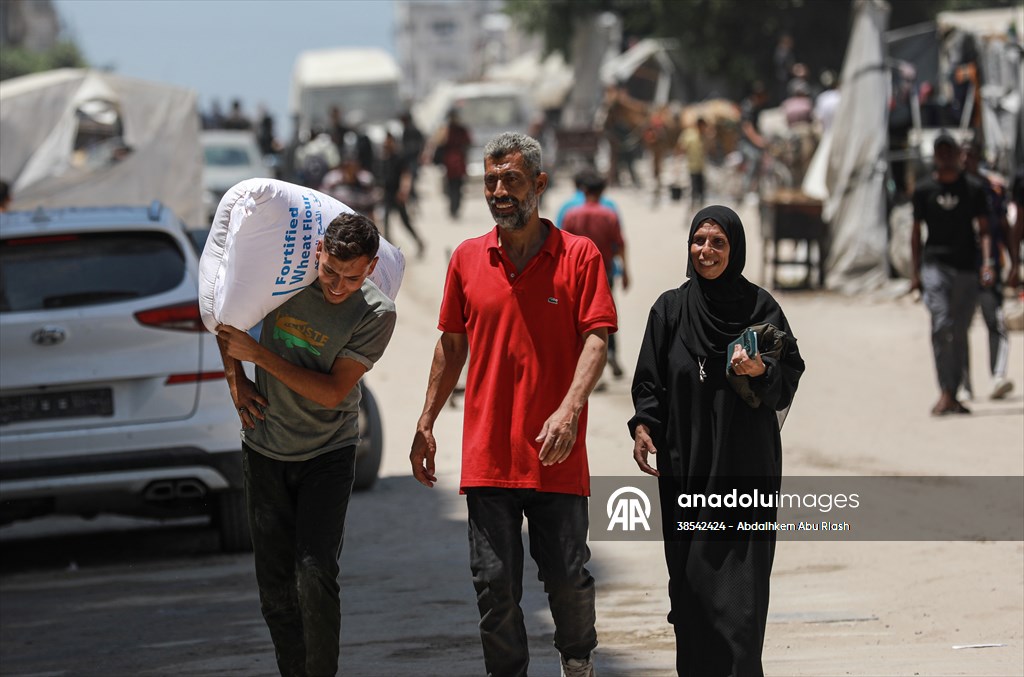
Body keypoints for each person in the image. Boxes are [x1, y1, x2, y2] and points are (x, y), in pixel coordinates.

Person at [410, 132, 615, 677]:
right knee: (494, 586)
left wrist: (569, 410)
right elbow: (452, 344)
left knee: (569, 576)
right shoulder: (467, 259)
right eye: (491, 181)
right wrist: (426, 420)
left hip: (556, 453)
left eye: (512, 180)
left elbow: (597, 338)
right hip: (488, 455)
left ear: (540, 185)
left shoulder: (579, 256)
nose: (499, 191)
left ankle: (577, 661)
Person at [216, 212, 397, 677]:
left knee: (315, 572)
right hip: (265, 448)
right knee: (275, 590)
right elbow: (225, 314)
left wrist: (258, 356)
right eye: (330, 272)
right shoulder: (282, 281)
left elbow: (332, 391)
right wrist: (236, 381)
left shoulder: (376, 312)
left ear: (371, 267)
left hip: (328, 452)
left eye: (352, 277)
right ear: (318, 251)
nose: (338, 286)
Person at [628, 205, 805, 676]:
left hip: (746, 468)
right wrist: (645, 425)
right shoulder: (669, 309)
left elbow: (790, 371)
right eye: (699, 241)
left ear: (736, 249)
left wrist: (761, 369)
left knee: (742, 602)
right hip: (687, 469)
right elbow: (650, 380)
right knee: (691, 592)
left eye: (718, 243)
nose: (705, 251)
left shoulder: (761, 308)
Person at [910, 133, 992, 416]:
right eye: (940, 152)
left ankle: (954, 392)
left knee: (958, 331)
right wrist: (915, 271)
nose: (945, 157)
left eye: (950, 151)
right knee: (941, 325)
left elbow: (983, 229)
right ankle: (945, 391)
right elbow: (915, 231)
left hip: (967, 268)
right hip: (935, 265)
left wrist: (987, 263)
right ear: (934, 156)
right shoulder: (923, 190)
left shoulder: (973, 188)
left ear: (958, 154)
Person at [960, 142, 1018, 400]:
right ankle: (962, 385)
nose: (965, 160)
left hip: (988, 269)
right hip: (960, 267)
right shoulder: (949, 187)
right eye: (962, 154)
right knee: (959, 326)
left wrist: (1013, 263)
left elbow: (1004, 228)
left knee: (994, 319)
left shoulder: (992, 189)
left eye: (970, 154)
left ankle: (997, 377)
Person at [562, 170, 629, 380]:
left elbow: (563, 245)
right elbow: (619, 245)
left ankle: (584, 361)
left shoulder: (572, 214)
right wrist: (626, 271)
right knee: (605, 316)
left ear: (584, 190)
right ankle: (611, 354)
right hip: (604, 272)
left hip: (576, 273)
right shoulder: (609, 215)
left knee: (578, 317)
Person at [379, 131, 424, 258]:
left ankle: (419, 242)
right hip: (388, 195)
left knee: (405, 222)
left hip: (397, 195)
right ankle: (389, 252)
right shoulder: (384, 158)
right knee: (386, 223)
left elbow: (406, 175)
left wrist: (404, 191)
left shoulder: (399, 157)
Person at [430, 109, 472, 219]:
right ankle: (453, 208)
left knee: (457, 187)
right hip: (450, 163)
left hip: (457, 163)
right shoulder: (446, 130)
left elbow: (468, 143)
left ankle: (455, 208)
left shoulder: (460, 130)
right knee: (452, 187)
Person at [555, 167, 621, 229]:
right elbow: (616, 234)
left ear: (576, 184)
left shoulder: (567, 206)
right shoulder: (609, 205)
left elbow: (560, 232)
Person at [738, 82, 770, 196]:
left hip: (753, 142)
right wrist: (758, 140)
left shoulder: (756, 108)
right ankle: (747, 190)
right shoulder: (748, 106)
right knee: (753, 159)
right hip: (746, 143)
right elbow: (747, 128)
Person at [679, 118, 707, 208]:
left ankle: (700, 205)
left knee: (701, 187)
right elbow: (681, 147)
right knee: (693, 187)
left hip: (701, 166)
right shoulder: (690, 134)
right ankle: (692, 205)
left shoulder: (702, 136)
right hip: (691, 165)